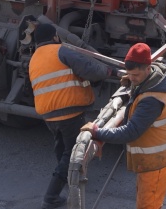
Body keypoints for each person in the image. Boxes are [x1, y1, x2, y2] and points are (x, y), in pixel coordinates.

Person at [81, 43, 166, 209]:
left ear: (148, 68)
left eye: (136, 75)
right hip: (153, 158)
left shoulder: (152, 100)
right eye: (129, 74)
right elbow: (138, 83)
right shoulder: (151, 79)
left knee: (148, 206)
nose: (132, 78)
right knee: (148, 203)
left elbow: (130, 132)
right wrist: (134, 83)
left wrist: (98, 132)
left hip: (156, 161)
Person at [28, 23, 115, 209]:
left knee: (62, 147)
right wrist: (109, 71)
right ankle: (51, 197)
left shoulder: (34, 58)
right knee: (71, 154)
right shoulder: (61, 51)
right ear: (54, 37)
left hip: (48, 114)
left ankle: (69, 179)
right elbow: (89, 67)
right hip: (69, 111)